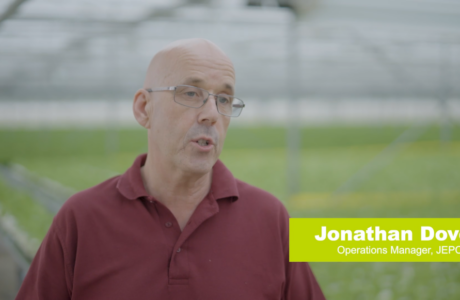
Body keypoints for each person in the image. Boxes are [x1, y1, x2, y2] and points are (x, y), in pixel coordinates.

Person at [16, 39, 325, 300]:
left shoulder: (270, 218)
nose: (211, 114)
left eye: (224, 99)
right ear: (143, 108)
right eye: (191, 93)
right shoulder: (81, 219)